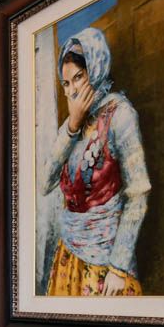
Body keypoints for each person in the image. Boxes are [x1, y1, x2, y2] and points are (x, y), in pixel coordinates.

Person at [40, 27, 150, 297]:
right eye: (66, 84)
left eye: (78, 77)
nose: (72, 91)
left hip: (107, 260)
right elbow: (44, 184)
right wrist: (72, 127)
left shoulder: (120, 114)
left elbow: (138, 192)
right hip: (69, 255)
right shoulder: (72, 123)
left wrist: (118, 267)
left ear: (96, 69)